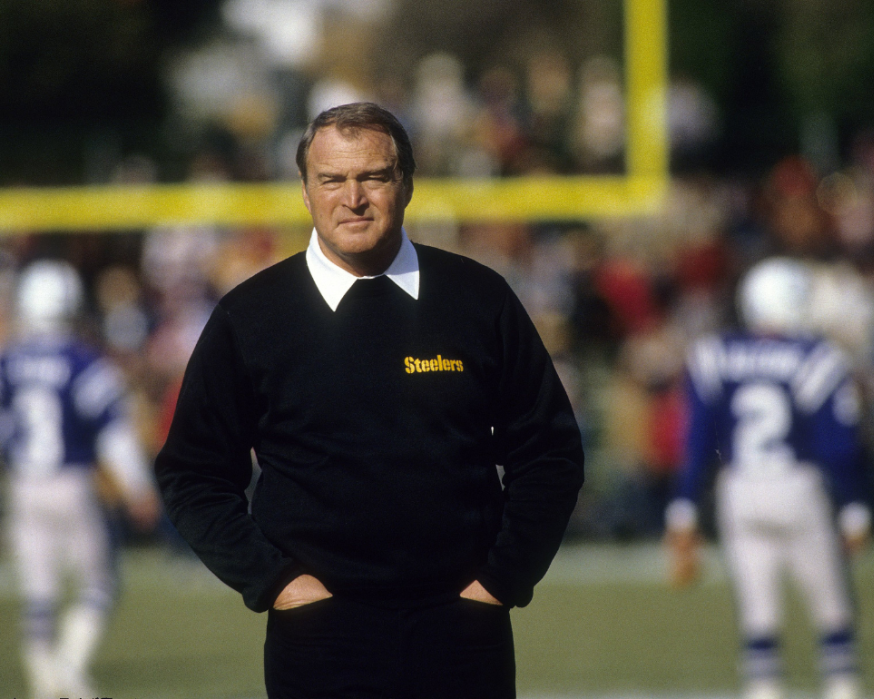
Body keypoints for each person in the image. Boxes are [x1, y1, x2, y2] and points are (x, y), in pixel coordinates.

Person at [154, 101, 584, 699]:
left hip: (462, 630)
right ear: (305, 191)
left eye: (373, 177)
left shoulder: (477, 298)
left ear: (406, 184)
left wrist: (499, 580)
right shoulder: (251, 316)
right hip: (320, 638)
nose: (352, 197)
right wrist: (277, 583)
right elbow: (192, 473)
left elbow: (550, 453)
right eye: (331, 180)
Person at [665, 257, 870, 699]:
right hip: (797, 485)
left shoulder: (714, 352)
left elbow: (697, 441)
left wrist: (682, 510)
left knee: (759, 616)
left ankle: (764, 689)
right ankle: (841, 686)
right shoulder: (817, 357)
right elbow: (837, 446)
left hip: (738, 489)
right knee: (831, 609)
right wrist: (854, 508)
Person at [0, 259, 159, 698]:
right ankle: (67, 668)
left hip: (24, 484)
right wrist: (137, 487)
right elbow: (113, 432)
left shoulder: (9, 360)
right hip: (70, 482)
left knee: (39, 592)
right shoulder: (82, 361)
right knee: (101, 583)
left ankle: (43, 682)